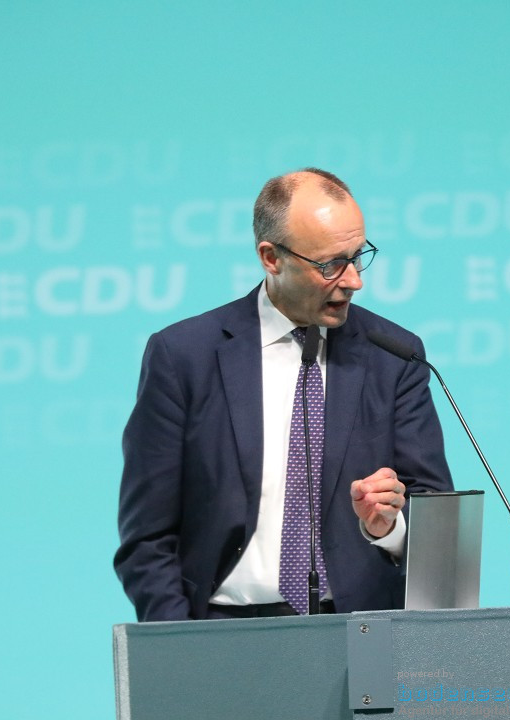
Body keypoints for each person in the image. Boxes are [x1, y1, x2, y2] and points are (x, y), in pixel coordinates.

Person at [114, 168, 453, 621]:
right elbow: (147, 535)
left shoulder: (393, 355)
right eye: (331, 264)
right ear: (271, 258)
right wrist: (179, 644)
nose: (354, 280)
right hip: (220, 636)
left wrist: (388, 528)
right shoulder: (184, 357)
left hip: (361, 633)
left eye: (359, 256)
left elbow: (434, 517)